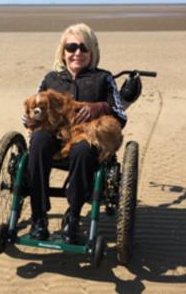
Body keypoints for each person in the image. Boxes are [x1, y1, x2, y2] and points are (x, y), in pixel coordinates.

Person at [23, 23, 129, 245]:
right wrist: (30, 121)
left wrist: (99, 107)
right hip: (54, 136)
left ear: (92, 52)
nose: (77, 53)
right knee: (39, 142)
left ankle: (73, 216)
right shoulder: (50, 79)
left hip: (88, 137)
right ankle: (38, 218)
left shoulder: (104, 78)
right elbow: (34, 109)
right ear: (63, 52)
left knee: (82, 150)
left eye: (83, 47)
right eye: (71, 47)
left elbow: (121, 116)